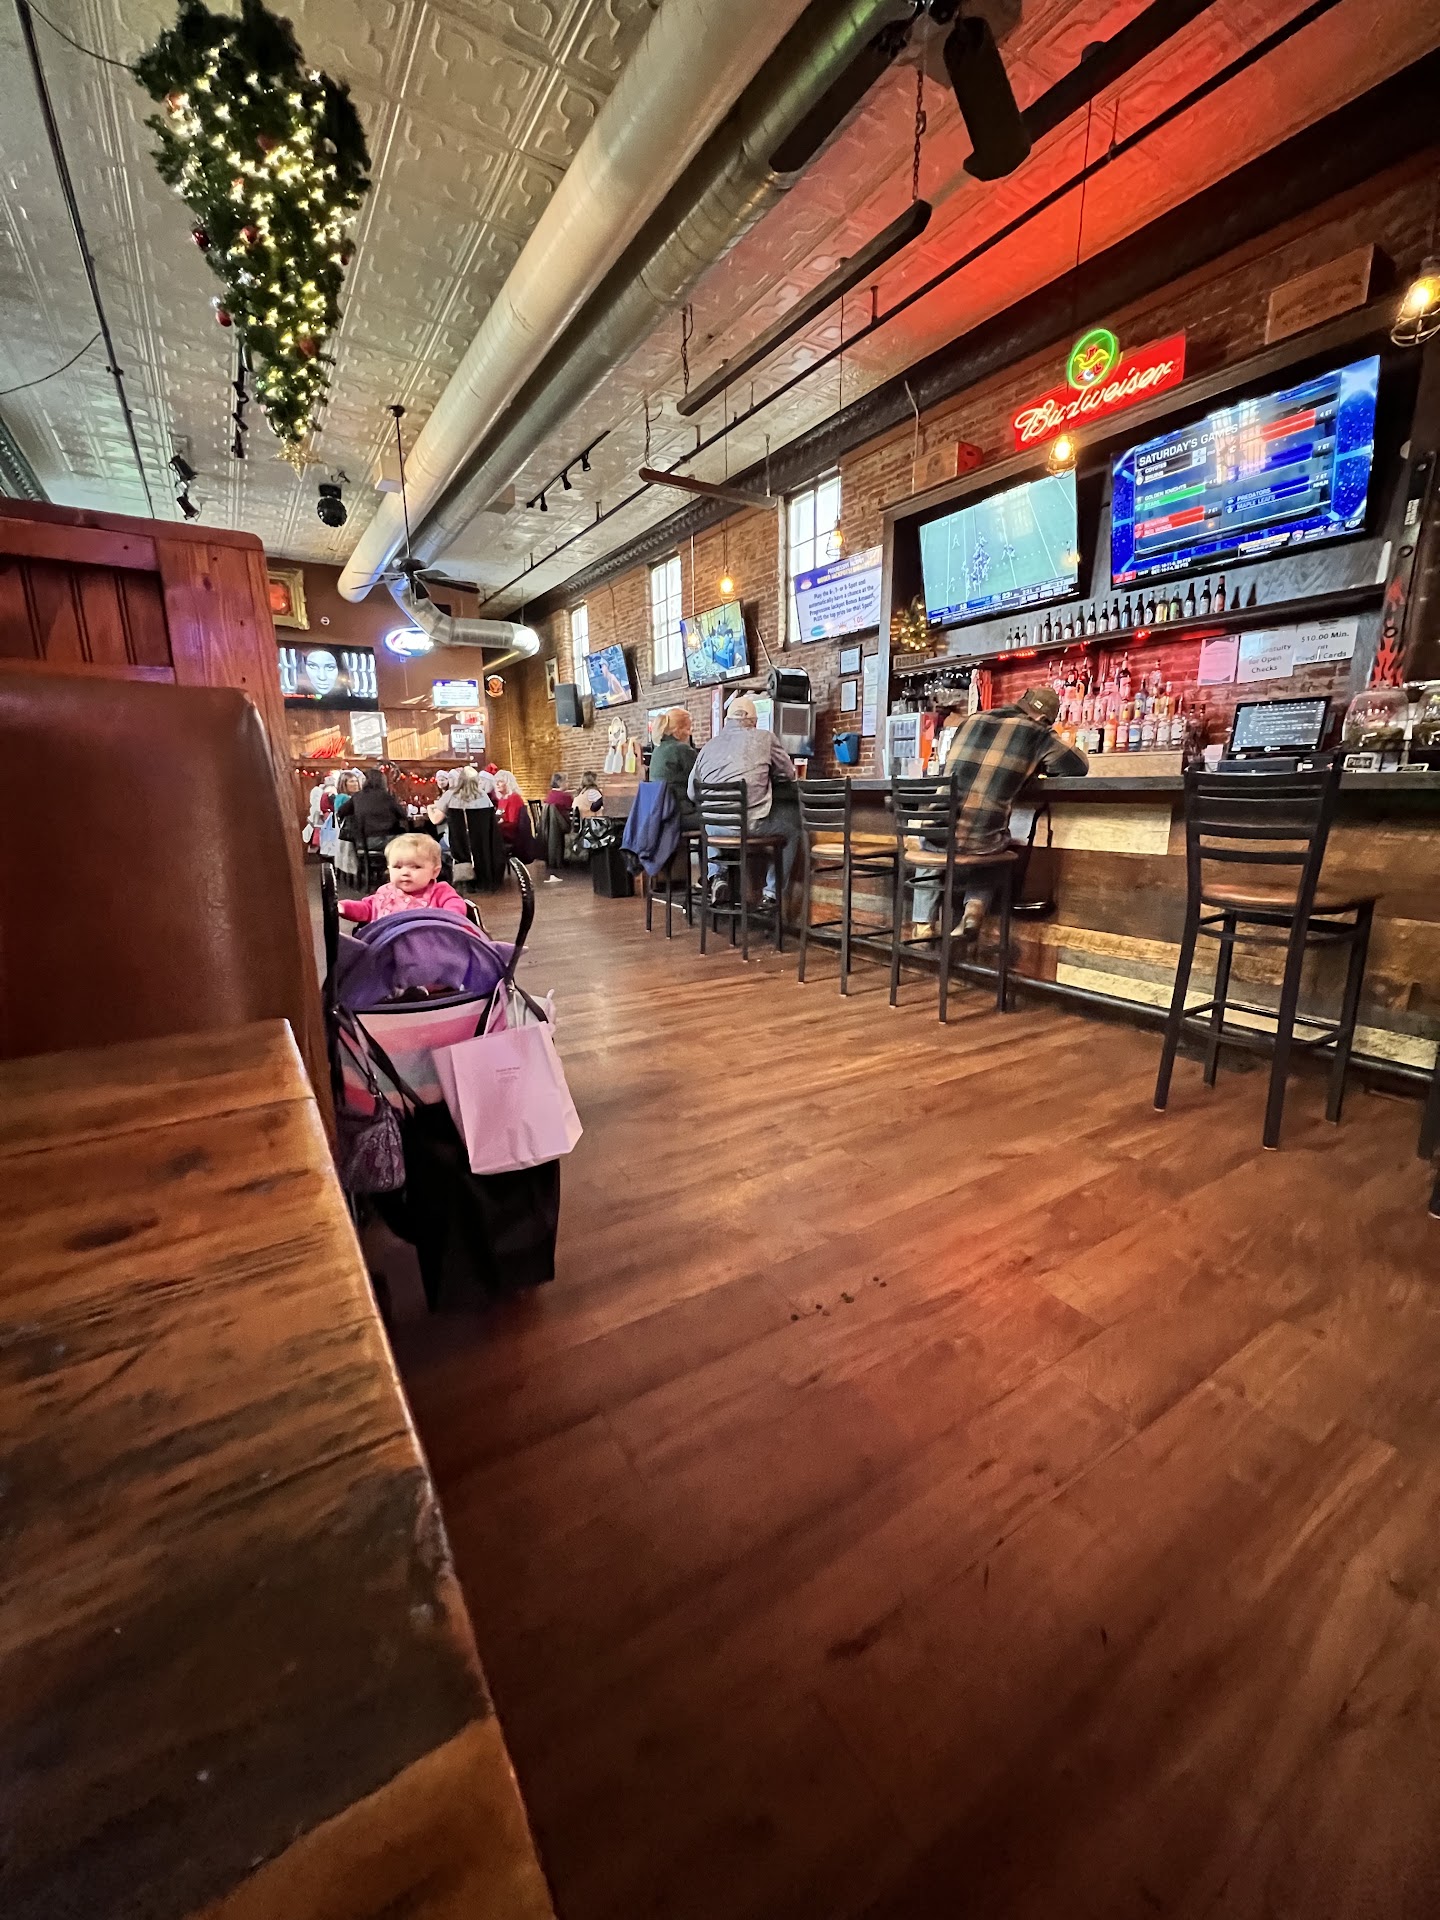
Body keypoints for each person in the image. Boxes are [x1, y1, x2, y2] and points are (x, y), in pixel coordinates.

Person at [910, 684, 1089, 940]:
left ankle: (923, 926)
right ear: (1043, 718)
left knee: (930, 844)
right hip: (981, 842)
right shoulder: (1039, 733)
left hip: (939, 832)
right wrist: (1035, 766)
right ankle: (974, 909)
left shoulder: (972, 720)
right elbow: (1077, 766)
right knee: (998, 844)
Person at [688, 692, 798, 909]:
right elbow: (789, 773)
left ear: (727, 720)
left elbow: (692, 792)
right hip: (746, 826)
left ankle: (717, 877)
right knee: (792, 830)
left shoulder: (709, 746)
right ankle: (771, 895)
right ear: (754, 721)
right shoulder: (765, 738)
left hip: (712, 829)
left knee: (714, 823)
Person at [337, 832, 469, 922]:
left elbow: (455, 905)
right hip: (388, 947)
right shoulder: (385, 892)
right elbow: (367, 909)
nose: (405, 872)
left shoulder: (440, 892)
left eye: (415, 867)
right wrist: (343, 907)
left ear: (434, 872)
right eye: (398, 867)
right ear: (389, 869)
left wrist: (451, 916)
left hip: (430, 945)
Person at [648, 708, 700, 830]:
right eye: (688, 728)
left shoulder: (657, 751)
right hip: (679, 815)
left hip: (660, 814)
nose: (690, 733)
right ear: (677, 730)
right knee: (717, 818)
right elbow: (700, 781)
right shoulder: (682, 750)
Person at [339, 767, 408, 850]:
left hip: (363, 842)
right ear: (383, 782)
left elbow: (341, 812)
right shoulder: (387, 797)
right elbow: (403, 815)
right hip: (387, 840)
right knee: (408, 840)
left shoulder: (357, 797)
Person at [493, 769, 540, 863]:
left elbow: (513, 824)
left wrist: (497, 826)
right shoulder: (502, 799)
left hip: (512, 836)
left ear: (508, 783)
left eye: (500, 781)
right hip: (503, 833)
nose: (497, 784)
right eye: (496, 782)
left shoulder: (514, 798)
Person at [541, 773, 573, 881]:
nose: (568, 783)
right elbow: (572, 808)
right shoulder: (565, 797)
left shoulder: (549, 795)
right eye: (566, 781)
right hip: (562, 825)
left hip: (549, 828)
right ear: (560, 783)